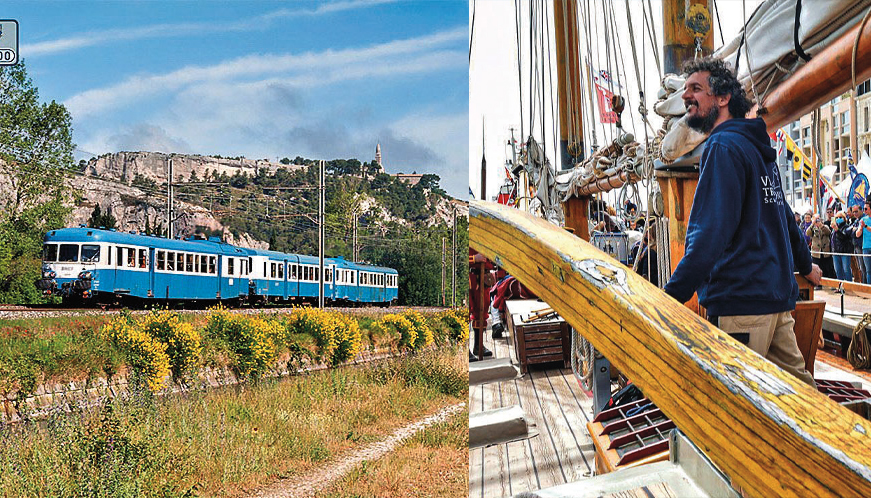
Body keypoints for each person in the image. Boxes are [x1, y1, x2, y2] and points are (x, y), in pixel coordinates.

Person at [663, 57, 821, 387]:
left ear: (723, 98)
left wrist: (670, 296)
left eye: (696, 89)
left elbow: (710, 234)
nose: (685, 97)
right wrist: (806, 266)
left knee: (734, 402)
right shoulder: (756, 149)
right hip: (775, 301)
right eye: (685, 89)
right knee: (801, 396)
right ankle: (832, 440)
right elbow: (785, 218)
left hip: (741, 303)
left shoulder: (722, 147)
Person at [806, 214, 835, 281]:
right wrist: (812, 224)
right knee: (817, 268)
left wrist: (821, 225)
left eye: (818, 219)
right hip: (816, 252)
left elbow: (828, 232)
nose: (817, 221)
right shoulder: (812, 228)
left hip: (825, 251)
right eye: (816, 219)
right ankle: (818, 283)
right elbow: (807, 233)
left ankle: (831, 282)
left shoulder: (825, 226)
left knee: (828, 267)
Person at [831, 210, 854, 281]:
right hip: (835, 252)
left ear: (844, 218)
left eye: (840, 217)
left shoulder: (847, 227)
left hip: (844, 251)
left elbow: (844, 237)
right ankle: (840, 286)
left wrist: (837, 230)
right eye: (837, 217)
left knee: (846, 270)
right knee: (837, 270)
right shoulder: (834, 229)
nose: (838, 218)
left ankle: (849, 286)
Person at [857, 201, 871, 284]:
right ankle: (869, 289)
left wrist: (865, 226)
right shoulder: (863, 219)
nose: (864, 210)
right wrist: (861, 228)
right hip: (865, 247)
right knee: (868, 270)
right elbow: (857, 234)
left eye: (866, 208)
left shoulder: (864, 222)